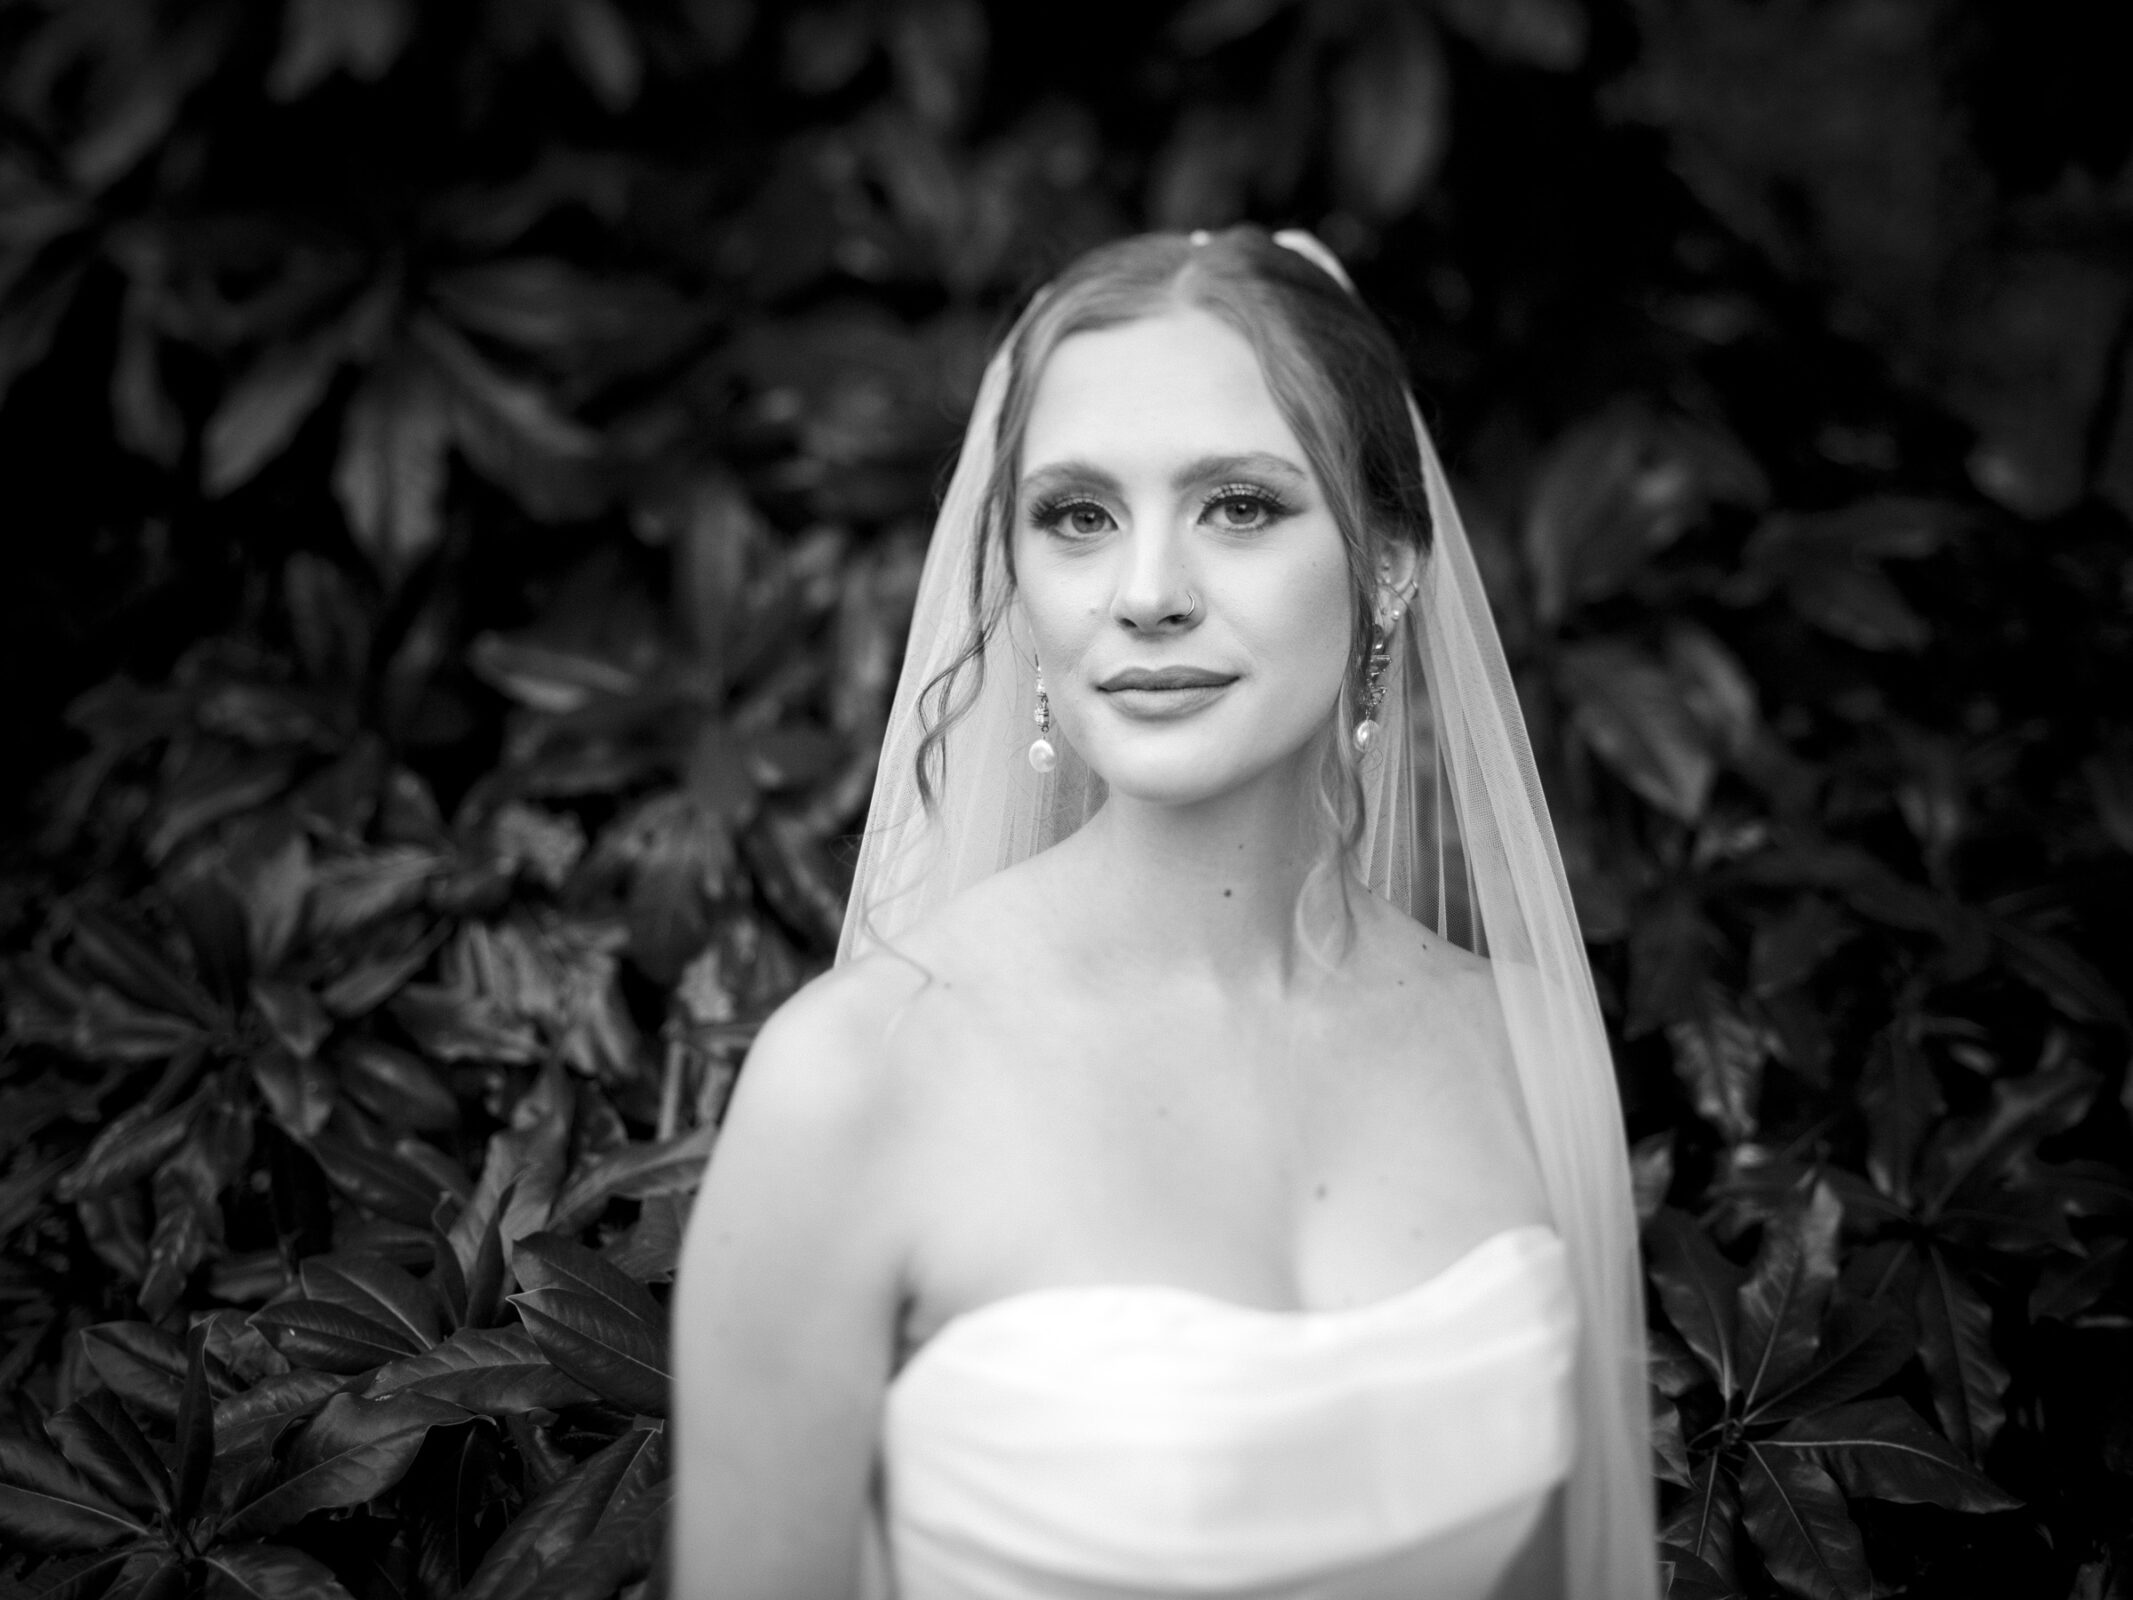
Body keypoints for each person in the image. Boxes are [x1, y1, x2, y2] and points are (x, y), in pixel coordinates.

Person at [669, 225, 1656, 1600]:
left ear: (1384, 564)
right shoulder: (853, 1080)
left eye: (1238, 507)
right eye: (1076, 516)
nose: (1144, 596)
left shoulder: (1525, 1047)